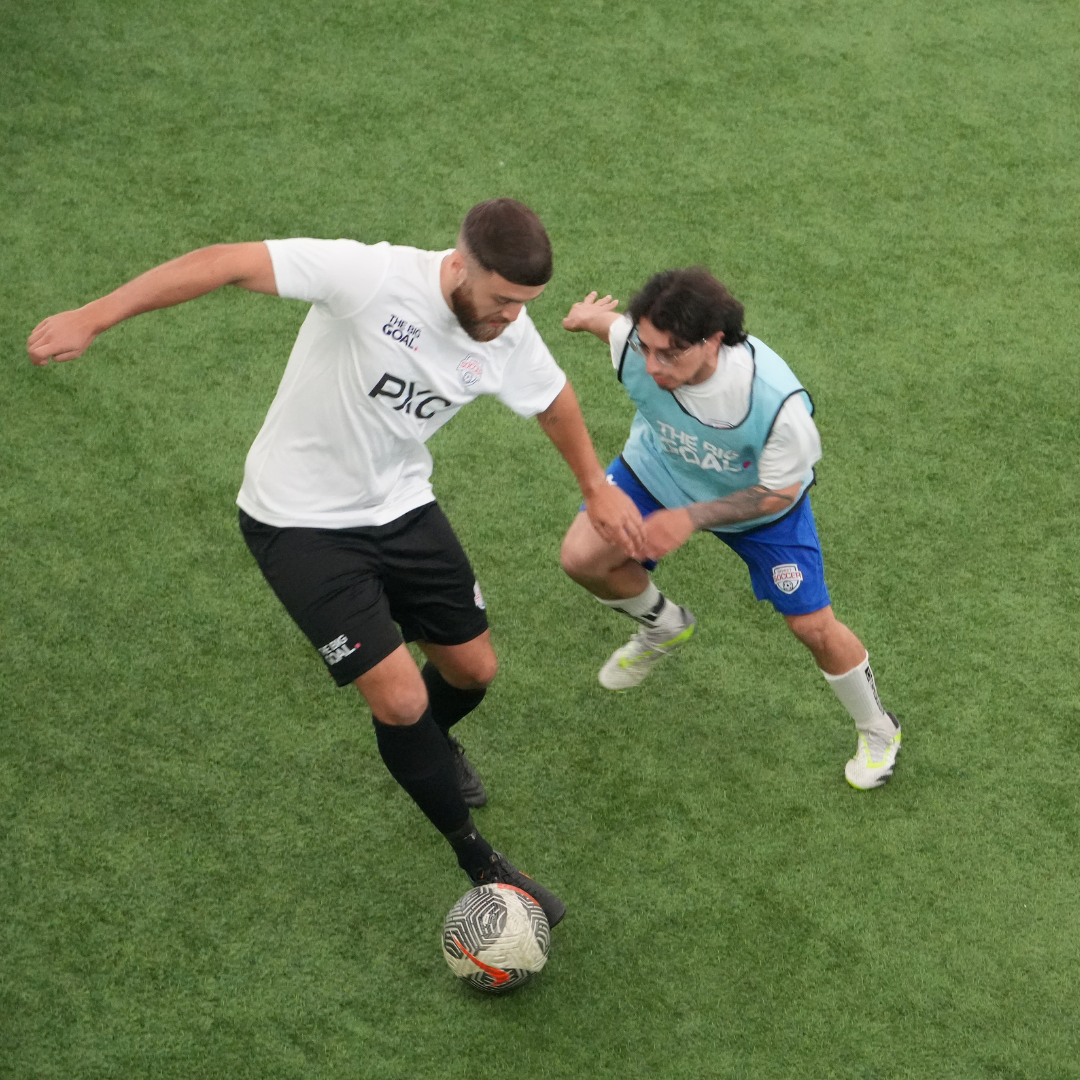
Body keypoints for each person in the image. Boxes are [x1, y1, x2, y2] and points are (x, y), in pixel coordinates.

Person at [26, 199, 645, 924]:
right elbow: (224, 261)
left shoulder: (508, 332)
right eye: (503, 299)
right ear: (460, 263)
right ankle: (479, 859)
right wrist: (93, 316)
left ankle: (432, 747)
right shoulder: (371, 276)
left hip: (400, 505)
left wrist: (595, 488)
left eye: (525, 304)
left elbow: (554, 400)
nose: (512, 317)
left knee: (473, 671)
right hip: (299, 520)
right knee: (400, 700)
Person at [559, 268, 901, 790]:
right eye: (646, 348)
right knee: (582, 558)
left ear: (713, 340)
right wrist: (587, 318)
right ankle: (664, 625)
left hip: (760, 508)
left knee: (812, 627)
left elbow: (780, 491)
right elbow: (615, 328)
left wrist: (690, 519)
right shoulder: (635, 345)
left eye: (668, 354)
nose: (651, 366)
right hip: (659, 470)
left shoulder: (776, 404)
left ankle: (878, 728)